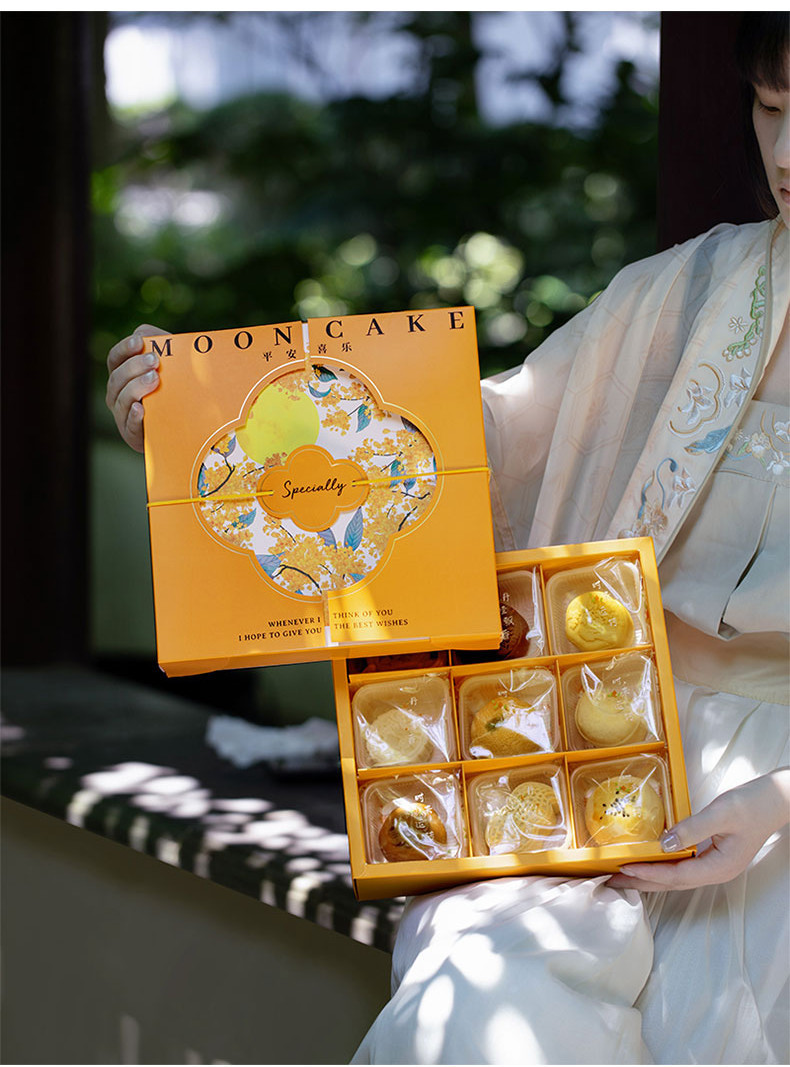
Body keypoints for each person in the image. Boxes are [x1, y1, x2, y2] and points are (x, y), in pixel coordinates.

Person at [106, 14, 790, 1064]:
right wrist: (207, 418)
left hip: (773, 791)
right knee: (484, 1009)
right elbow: (480, 440)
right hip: (593, 737)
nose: (783, 152)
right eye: (771, 108)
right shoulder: (699, 289)